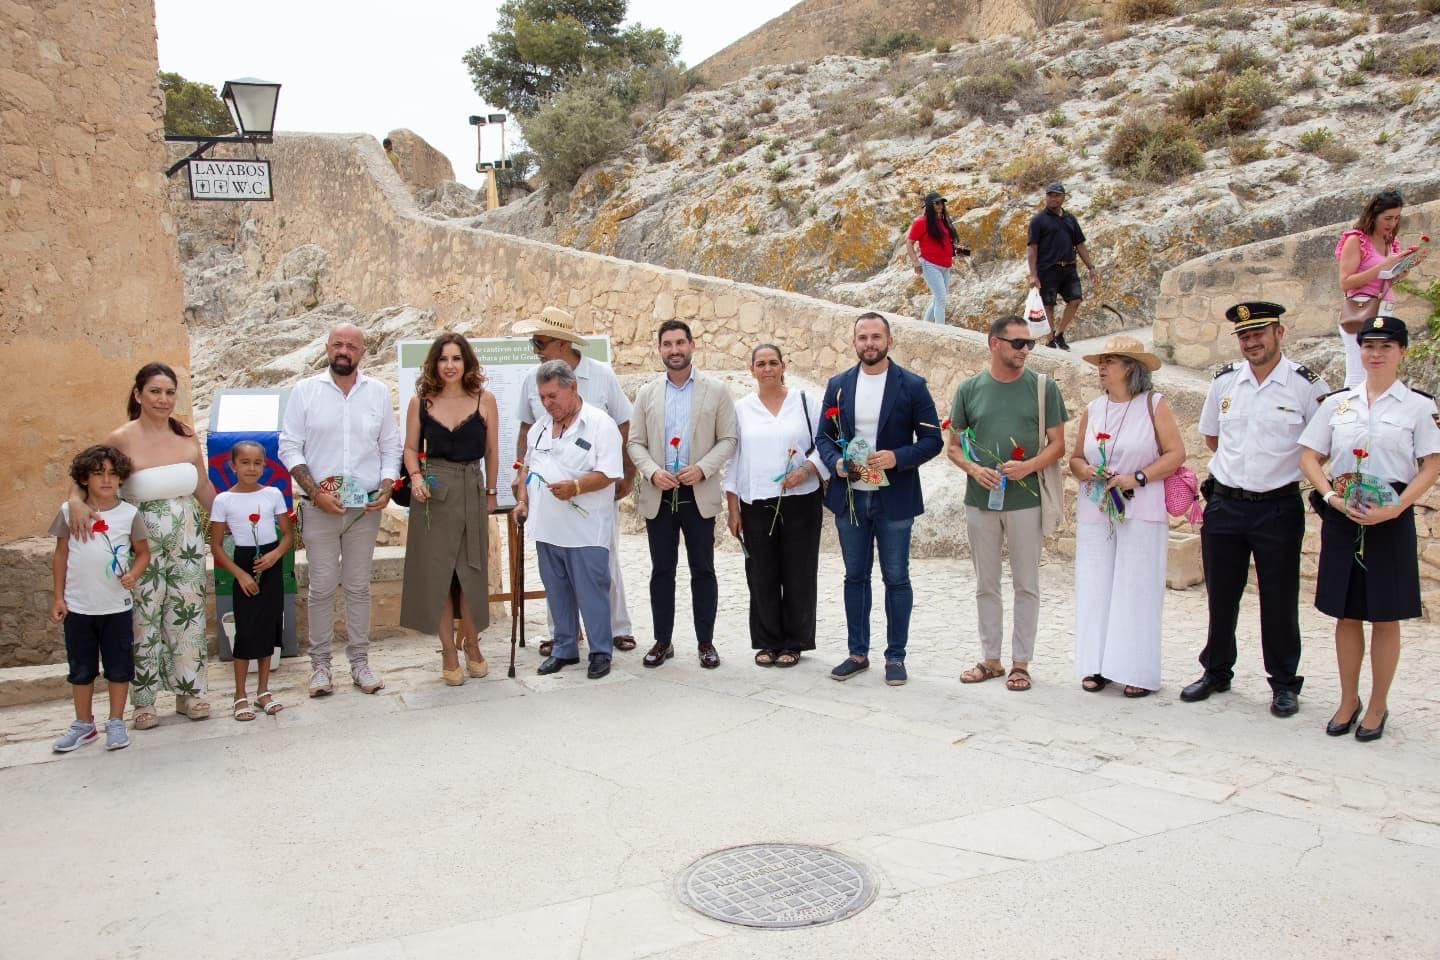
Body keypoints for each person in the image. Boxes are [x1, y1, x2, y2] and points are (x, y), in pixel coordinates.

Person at [1181, 301, 1330, 717]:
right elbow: (1213, 438)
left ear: (1279, 333)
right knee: (1221, 595)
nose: (1251, 342)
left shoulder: (1306, 385)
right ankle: (1216, 671)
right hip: (1226, 504)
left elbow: (1321, 447)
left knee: (1279, 599)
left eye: (1259, 334)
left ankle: (1284, 683)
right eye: (1244, 336)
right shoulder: (1225, 383)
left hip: (1277, 507)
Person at [1299, 314, 1440, 742]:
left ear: (1401, 352)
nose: (1376, 354)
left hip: (1390, 517)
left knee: (1385, 614)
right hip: (1343, 514)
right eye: (1369, 346)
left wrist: (1397, 508)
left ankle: (1377, 704)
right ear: (1360, 351)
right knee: (1345, 612)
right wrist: (1329, 497)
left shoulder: (1418, 406)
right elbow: (1309, 456)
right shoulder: (1338, 403)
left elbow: (1431, 464)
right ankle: (1348, 699)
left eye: (1385, 347)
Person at [67, 362, 217, 728]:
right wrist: (74, 500)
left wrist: (231, 521)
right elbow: (88, 473)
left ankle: (190, 693)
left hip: (187, 542)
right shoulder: (121, 438)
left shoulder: (185, 437)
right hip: (140, 543)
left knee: (188, 615)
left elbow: (202, 487)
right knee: (141, 620)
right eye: (155, 391)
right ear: (138, 394)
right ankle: (143, 701)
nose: (163, 399)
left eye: (169, 392)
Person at [818, 312, 944, 686]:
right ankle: (858, 653)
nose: (869, 343)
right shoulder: (839, 385)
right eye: (862, 337)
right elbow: (823, 438)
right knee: (854, 577)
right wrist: (836, 462)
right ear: (854, 342)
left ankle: (895, 657)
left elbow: (933, 440)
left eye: (876, 336)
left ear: (890, 341)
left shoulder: (912, 385)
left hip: (894, 498)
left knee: (896, 578)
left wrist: (897, 458)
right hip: (852, 498)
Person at [279, 322, 402, 698]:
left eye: (351, 345)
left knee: (358, 587)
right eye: (337, 344)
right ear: (327, 348)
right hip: (320, 507)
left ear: (363, 351)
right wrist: (316, 494)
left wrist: (385, 487)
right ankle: (320, 668)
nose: (343, 350)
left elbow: (390, 447)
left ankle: (360, 663)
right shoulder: (305, 392)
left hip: (364, 507)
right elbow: (290, 447)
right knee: (319, 588)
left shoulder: (377, 393)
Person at [951, 316, 1068, 692]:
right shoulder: (969, 389)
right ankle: (990, 659)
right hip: (980, 499)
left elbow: (1058, 445)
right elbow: (952, 445)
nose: (1025, 350)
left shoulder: (1043, 388)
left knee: (1026, 583)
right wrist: (973, 469)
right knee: (986, 583)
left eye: (1029, 343)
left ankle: (1021, 663)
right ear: (994, 343)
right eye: (1017, 343)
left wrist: (1028, 467)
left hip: (1025, 500)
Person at [513, 307, 637, 657]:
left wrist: (627, 473)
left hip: (594, 487)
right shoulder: (532, 379)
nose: (535, 348)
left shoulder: (601, 375)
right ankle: (563, 636)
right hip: (549, 494)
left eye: (540, 341)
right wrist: (519, 476)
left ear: (563, 342)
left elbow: (624, 424)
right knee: (555, 564)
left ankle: (616, 629)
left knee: (602, 560)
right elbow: (525, 428)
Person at [1068, 337, 1185, 697]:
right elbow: (1075, 459)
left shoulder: (1154, 405)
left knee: (1136, 587)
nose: (1102, 367)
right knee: (1096, 585)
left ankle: (1136, 668)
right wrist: (1088, 471)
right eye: (1101, 361)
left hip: (1141, 506)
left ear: (1131, 368)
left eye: (1111, 361)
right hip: (1097, 509)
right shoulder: (1094, 408)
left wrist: (1137, 477)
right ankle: (1097, 665)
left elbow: (1175, 453)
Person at [629, 319, 738, 670]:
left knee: (703, 570)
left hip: (698, 493)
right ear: (659, 349)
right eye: (667, 344)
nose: (674, 350)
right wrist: (652, 472)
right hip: (660, 494)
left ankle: (705, 642)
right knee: (662, 570)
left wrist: (703, 468)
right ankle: (663, 640)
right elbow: (635, 442)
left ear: (692, 345)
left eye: (680, 343)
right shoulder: (646, 393)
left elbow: (729, 439)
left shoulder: (716, 390)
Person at [399, 333, 500, 686]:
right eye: (444, 359)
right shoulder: (421, 402)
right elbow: (410, 448)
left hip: (472, 486)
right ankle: (448, 651)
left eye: (457, 358)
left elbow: (492, 453)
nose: (450, 365)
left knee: (471, 572)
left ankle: (472, 645)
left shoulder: (485, 400)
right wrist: (414, 477)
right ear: (434, 363)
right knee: (438, 576)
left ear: (467, 362)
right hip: (434, 491)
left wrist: (491, 493)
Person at [724, 343, 827, 667]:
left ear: (784, 366)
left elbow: (826, 443)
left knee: (799, 572)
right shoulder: (741, 409)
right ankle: (768, 641)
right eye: (760, 364)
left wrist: (807, 470)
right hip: (756, 502)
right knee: (761, 573)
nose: (767, 369)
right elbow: (733, 460)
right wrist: (733, 508)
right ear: (751, 370)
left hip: (801, 501)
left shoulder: (804, 402)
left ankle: (794, 642)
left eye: (772, 363)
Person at [50, 445, 150, 752]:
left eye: (112, 473)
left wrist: (133, 573)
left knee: (119, 667)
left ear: (121, 478)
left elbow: (143, 552)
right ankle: (83, 724)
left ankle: (116, 721)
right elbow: (61, 554)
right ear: (84, 478)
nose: (106, 479)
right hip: (79, 606)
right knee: (81, 668)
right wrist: (58, 597)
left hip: (116, 607)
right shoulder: (69, 512)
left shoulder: (129, 514)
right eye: (98, 473)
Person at [208, 441, 292, 720]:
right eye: (244, 462)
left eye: (257, 463)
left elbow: (288, 535)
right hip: (243, 564)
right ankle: (239, 694)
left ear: (265, 466)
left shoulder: (273, 494)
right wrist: (240, 574)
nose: (251, 468)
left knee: (268, 627)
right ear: (233, 466)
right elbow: (217, 545)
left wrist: (275, 555)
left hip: (270, 563)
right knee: (245, 630)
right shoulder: (223, 500)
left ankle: (263, 691)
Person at [1335, 190, 1427, 389]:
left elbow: (1382, 279)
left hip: (1383, 308)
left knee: (1378, 371)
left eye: (1396, 218)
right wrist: (1384, 265)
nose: (1392, 223)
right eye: (1387, 218)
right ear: (1373, 215)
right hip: (1360, 310)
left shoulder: (1390, 242)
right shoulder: (1356, 240)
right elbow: (1346, 282)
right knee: (1357, 372)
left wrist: (1402, 269)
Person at [1026, 181, 1099, 351]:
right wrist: (1033, 274)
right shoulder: (1038, 220)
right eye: (1050, 195)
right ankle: (1050, 338)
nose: (1053, 198)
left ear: (1063, 198)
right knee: (1048, 304)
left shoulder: (1070, 219)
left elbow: (1080, 244)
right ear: (1046, 197)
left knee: (1075, 300)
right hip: (1048, 268)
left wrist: (1091, 266)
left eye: (1057, 195)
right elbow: (1032, 248)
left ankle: (1059, 333)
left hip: (1069, 267)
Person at [906, 191, 966, 325]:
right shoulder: (920, 222)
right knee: (941, 299)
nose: (940, 206)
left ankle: (925, 327)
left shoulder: (943, 221)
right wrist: (916, 262)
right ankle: (941, 331)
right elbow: (909, 243)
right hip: (929, 265)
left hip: (945, 266)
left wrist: (957, 252)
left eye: (941, 203)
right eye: (936, 203)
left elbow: (944, 245)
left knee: (938, 299)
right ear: (929, 205)